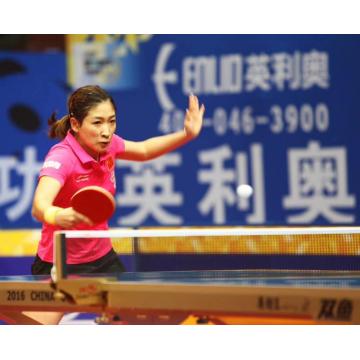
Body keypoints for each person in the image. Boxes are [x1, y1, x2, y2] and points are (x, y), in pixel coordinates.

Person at [22, 85, 205, 324]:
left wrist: (186, 134)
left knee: (136, 323)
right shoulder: (62, 157)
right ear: (76, 125)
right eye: (97, 123)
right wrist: (57, 215)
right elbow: (39, 205)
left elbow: (144, 149)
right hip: (59, 264)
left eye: (111, 121)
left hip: (102, 259)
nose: (106, 131)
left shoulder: (109, 146)